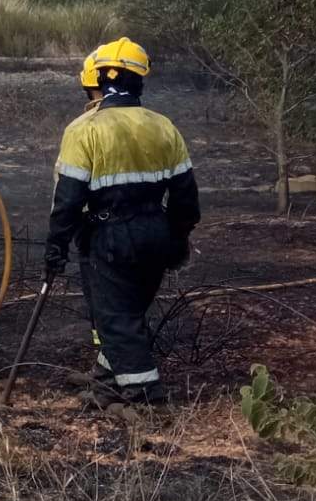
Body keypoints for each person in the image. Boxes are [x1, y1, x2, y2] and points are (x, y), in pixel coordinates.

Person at [44, 37, 201, 407]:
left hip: (110, 239)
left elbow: (68, 200)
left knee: (114, 320)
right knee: (128, 314)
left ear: (100, 77)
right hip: (157, 235)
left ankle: (148, 398)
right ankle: (106, 384)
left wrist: (56, 245)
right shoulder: (164, 127)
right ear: (139, 81)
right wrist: (177, 238)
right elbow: (186, 197)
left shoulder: (85, 130)